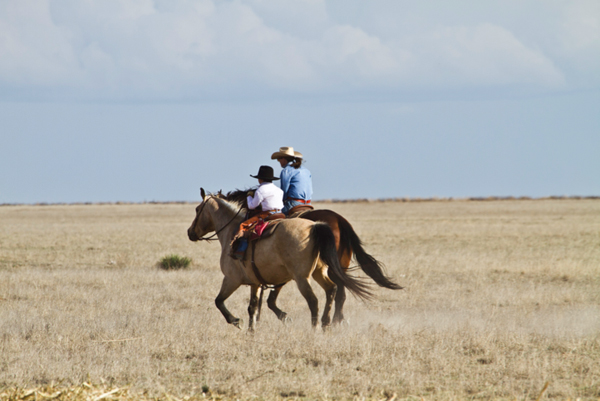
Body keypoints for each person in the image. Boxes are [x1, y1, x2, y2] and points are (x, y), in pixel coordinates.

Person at [230, 165, 284, 259]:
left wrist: (249, 196)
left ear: (260, 179)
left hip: (268, 214)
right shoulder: (279, 190)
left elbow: (251, 206)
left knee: (244, 226)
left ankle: (241, 251)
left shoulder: (260, 190)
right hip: (281, 214)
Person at [271, 146, 313, 215]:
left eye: (279, 159)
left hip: (294, 203)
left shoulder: (286, 171)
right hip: (308, 203)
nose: (279, 162)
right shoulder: (306, 170)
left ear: (283, 159)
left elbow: (284, 191)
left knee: (275, 214)